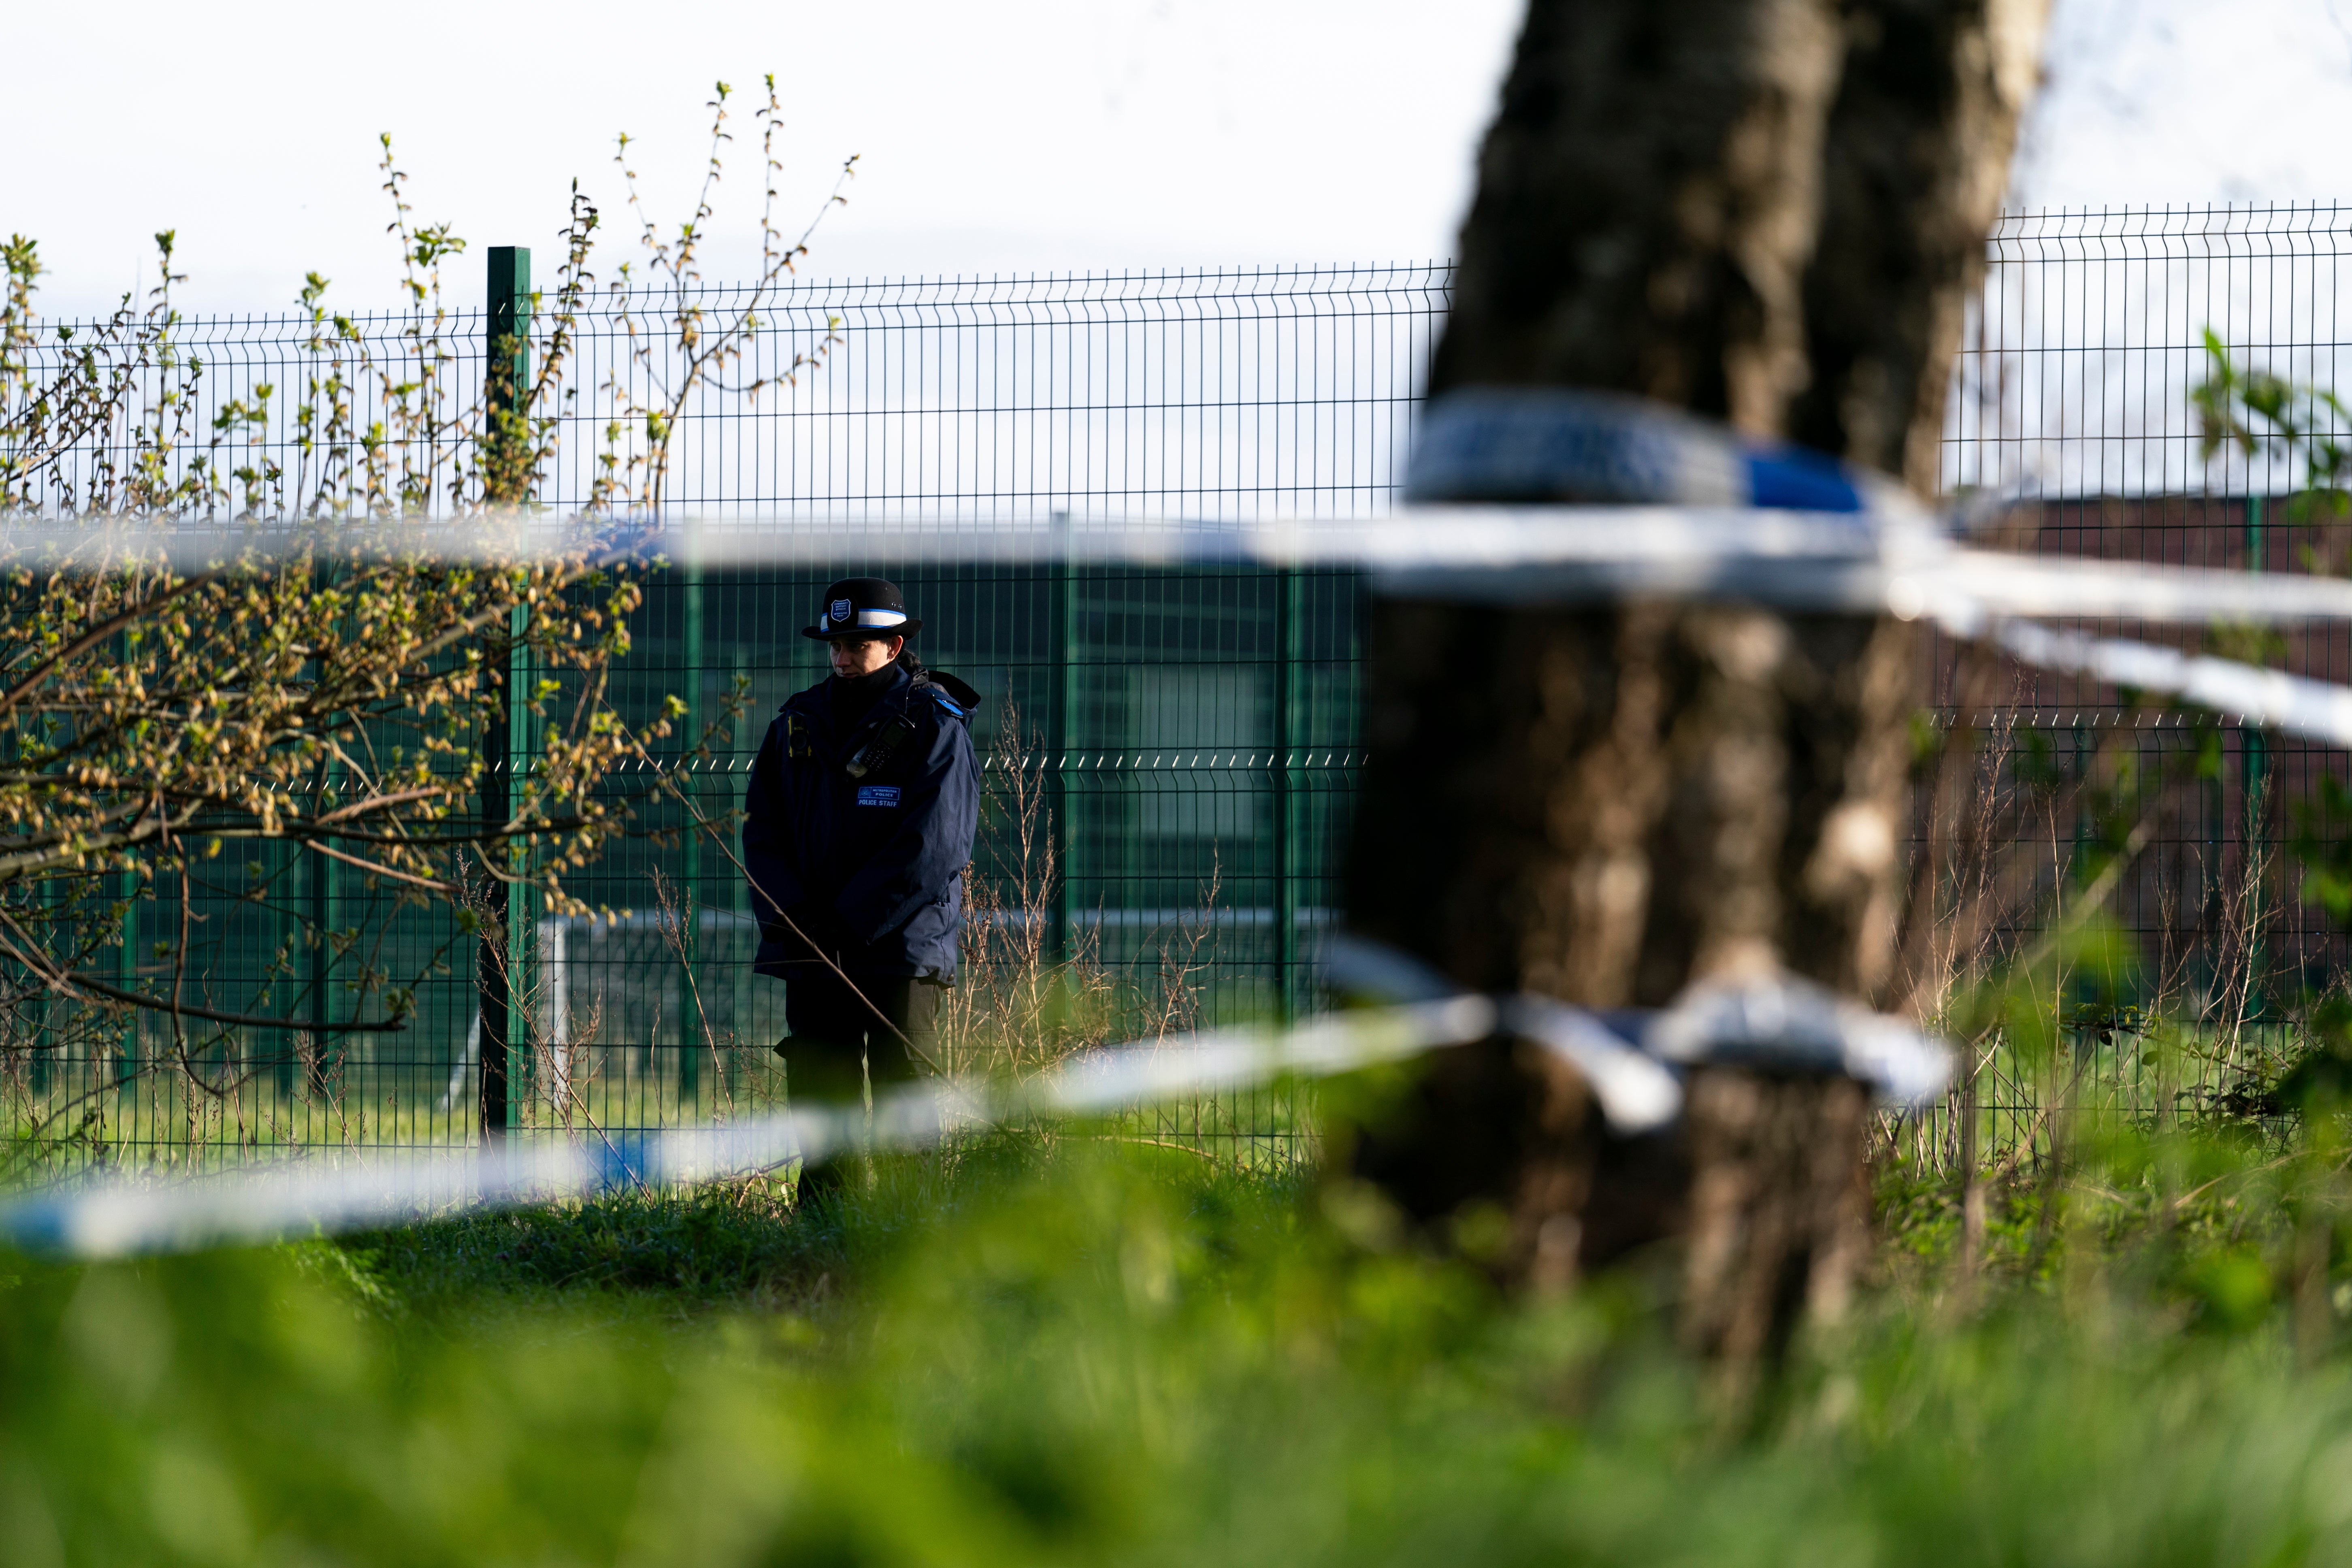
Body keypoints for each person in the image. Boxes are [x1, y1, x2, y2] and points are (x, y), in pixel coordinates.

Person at [741, 576, 980, 1133]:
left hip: (902, 950)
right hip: (811, 946)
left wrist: (846, 922)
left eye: (857, 647)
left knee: (904, 1095)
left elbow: (935, 845)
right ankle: (825, 1218)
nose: (841, 659)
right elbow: (760, 833)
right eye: (834, 646)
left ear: (894, 646)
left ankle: (905, 1220)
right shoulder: (793, 725)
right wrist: (794, 917)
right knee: (822, 1095)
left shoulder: (935, 727)